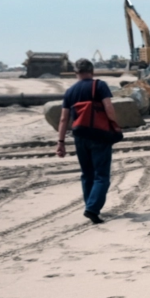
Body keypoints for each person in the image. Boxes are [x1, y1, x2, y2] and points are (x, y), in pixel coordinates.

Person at [55, 59, 122, 224]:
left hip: (80, 136)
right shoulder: (99, 85)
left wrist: (61, 142)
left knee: (87, 174)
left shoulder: (70, 91)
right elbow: (108, 108)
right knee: (101, 175)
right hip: (99, 134)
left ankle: (90, 206)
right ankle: (92, 209)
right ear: (92, 71)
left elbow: (64, 119)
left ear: (75, 72)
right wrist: (115, 125)